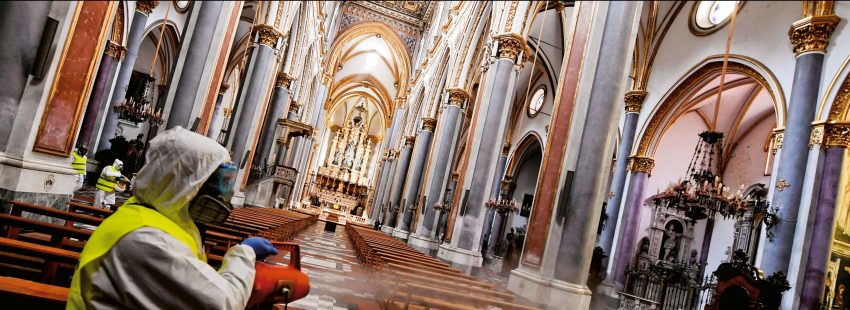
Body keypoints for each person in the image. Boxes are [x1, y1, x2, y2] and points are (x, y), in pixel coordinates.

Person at [68, 127, 279, 309]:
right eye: (219, 182)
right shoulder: (147, 238)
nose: (224, 196)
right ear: (185, 181)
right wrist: (244, 253)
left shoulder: (158, 217)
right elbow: (224, 303)